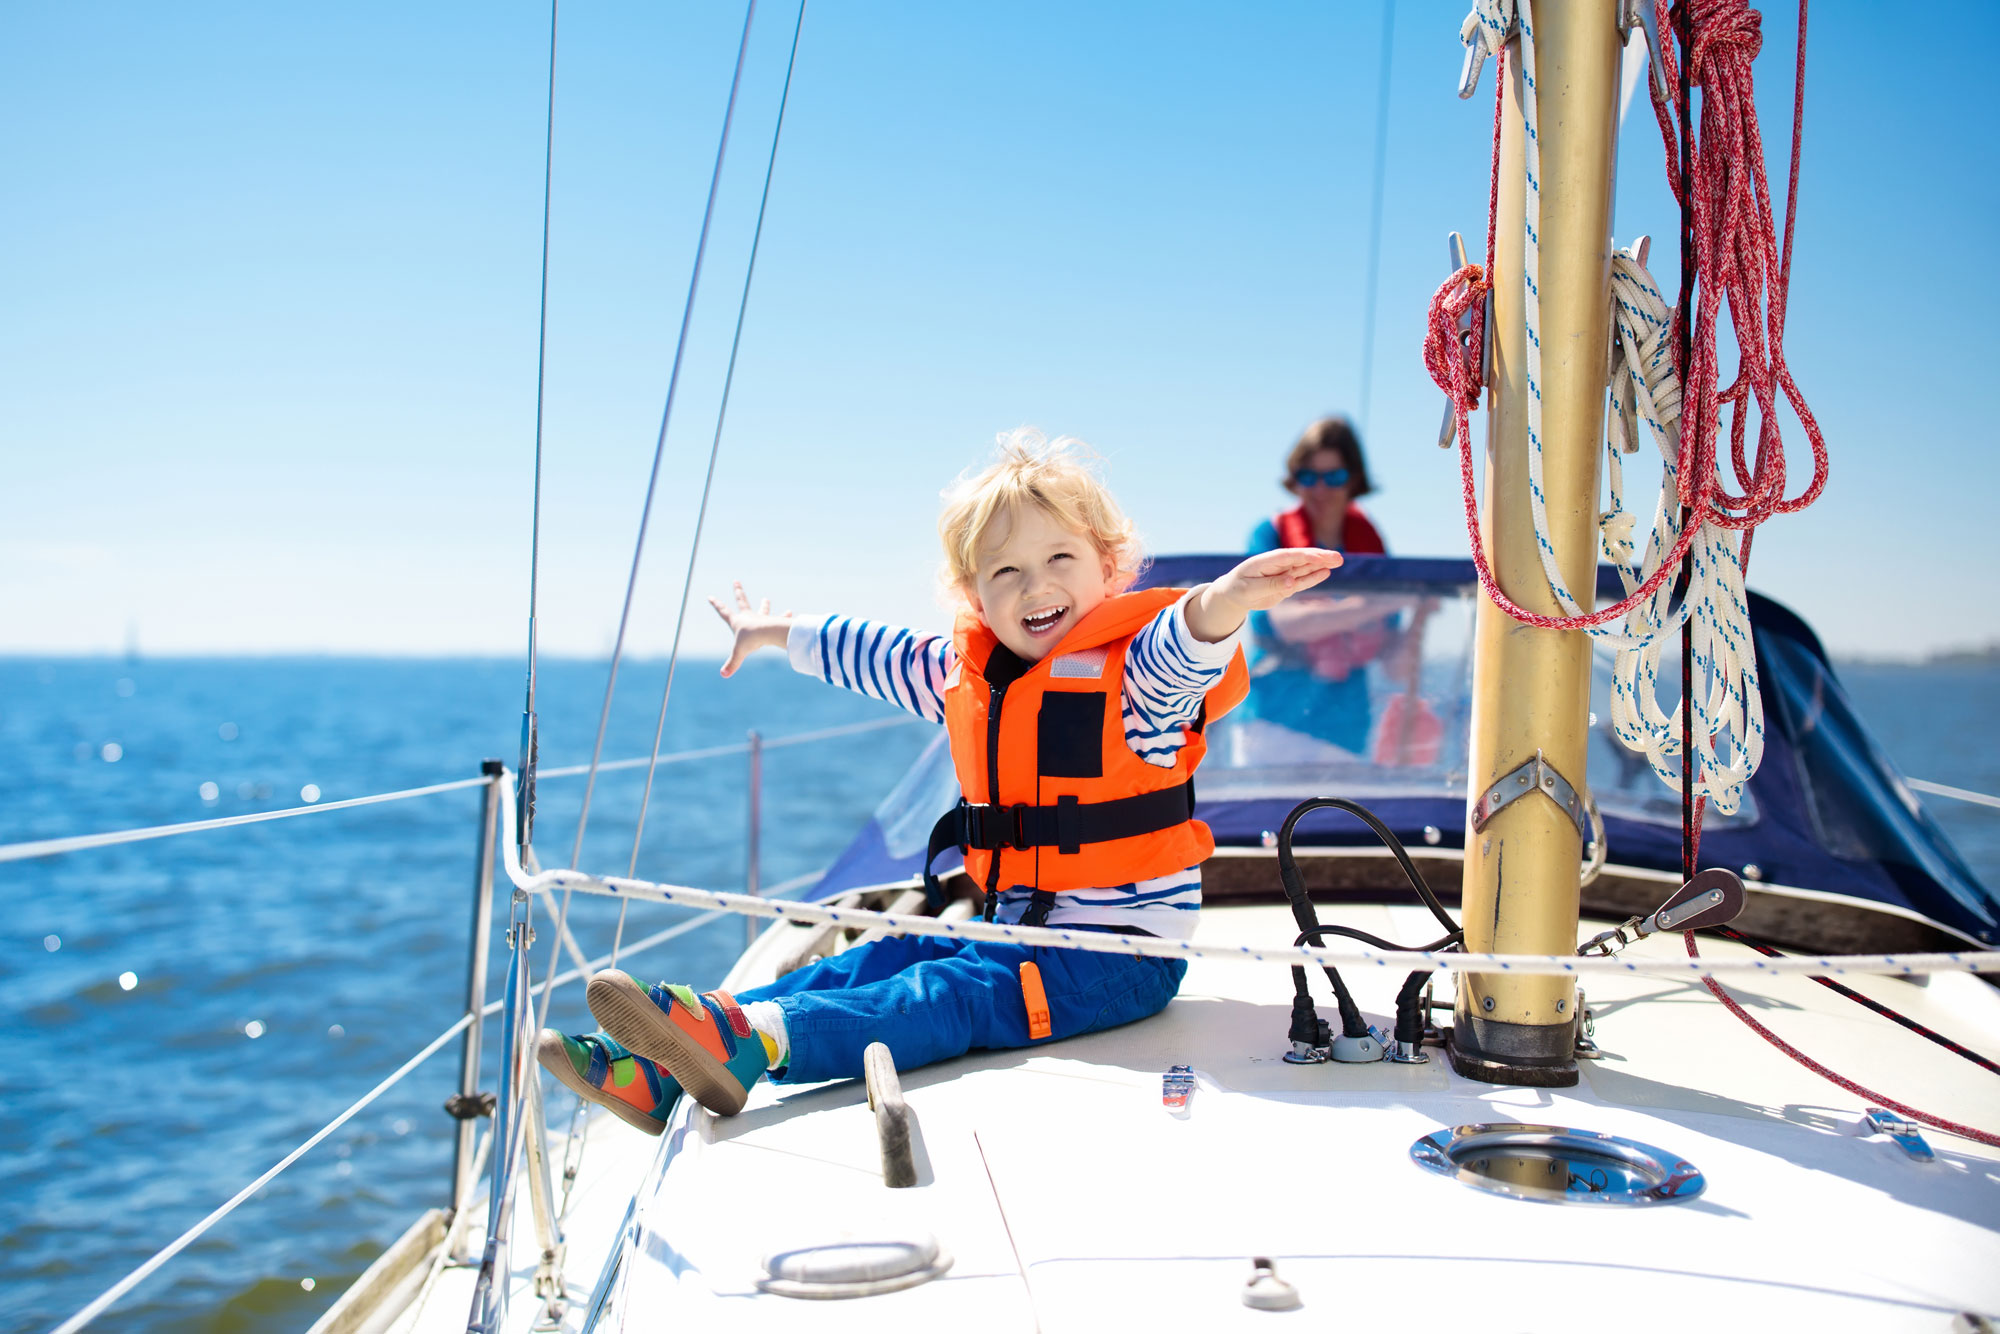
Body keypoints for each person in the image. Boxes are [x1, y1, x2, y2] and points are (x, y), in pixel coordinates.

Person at [537, 430, 1341, 1130]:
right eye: (1006, 572)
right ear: (975, 596)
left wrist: (1231, 597)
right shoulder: (968, 672)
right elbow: (874, 651)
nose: (1035, 586)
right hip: (1013, 923)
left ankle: (764, 1040)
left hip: (1115, 958)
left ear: (1108, 567)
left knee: (946, 995)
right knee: (875, 959)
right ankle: (669, 1068)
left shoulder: (1139, 688)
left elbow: (1187, 640)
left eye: (1060, 558)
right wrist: (775, 630)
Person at [1240, 416, 1389, 754]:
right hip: (1272, 725)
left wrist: (1422, 612)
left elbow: (1392, 652)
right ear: (1295, 480)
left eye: (1334, 477)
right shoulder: (1269, 536)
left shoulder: (1372, 547)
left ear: (1353, 481)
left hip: (1347, 728)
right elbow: (1284, 623)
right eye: (1309, 477)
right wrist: (1376, 605)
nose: (1320, 489)